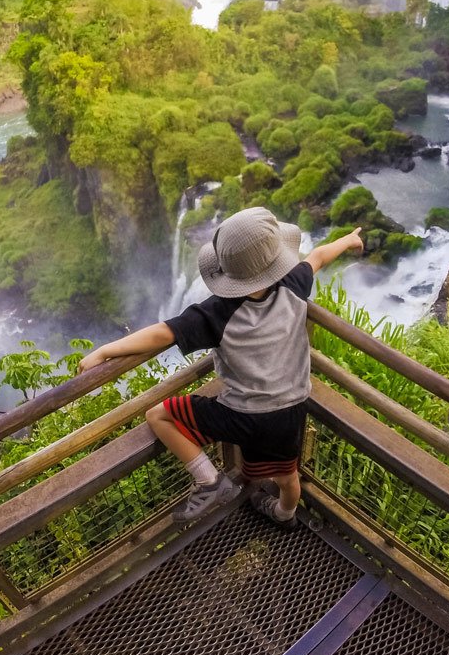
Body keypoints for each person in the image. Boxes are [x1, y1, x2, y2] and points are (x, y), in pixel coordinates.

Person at [78, 207, 364, 526]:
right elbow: (320, 256)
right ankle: (285, 515)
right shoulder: (295, 284)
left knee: (158, 415)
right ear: (276, 261)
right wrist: (349, 240)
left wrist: (105, 351)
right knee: (287, 476)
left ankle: (209, 481)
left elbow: (163, 333)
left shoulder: (216, 313)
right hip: (291, 409)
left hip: (241, 415)